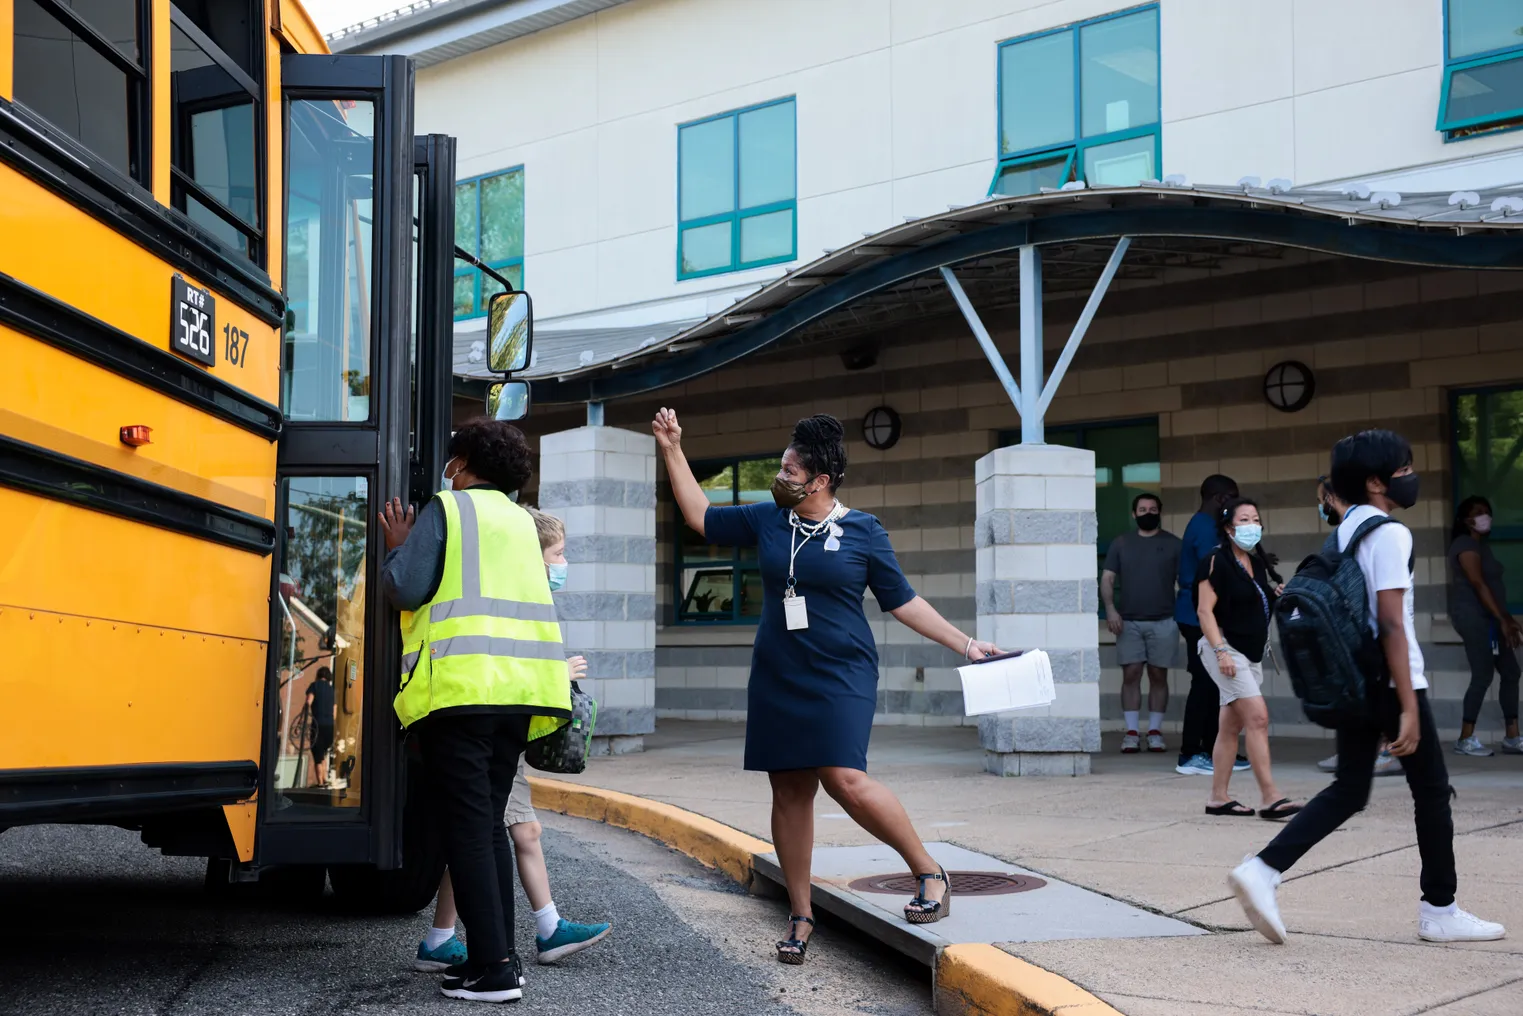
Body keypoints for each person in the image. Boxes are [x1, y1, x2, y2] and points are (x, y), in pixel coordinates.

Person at [653, 409, 998, 963]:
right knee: (789, 789)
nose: (782, 477)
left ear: (821, 481)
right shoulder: (768, 519)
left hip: (842, 670)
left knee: (844, 777)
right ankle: (800, 913)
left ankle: (930, 873)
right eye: (783, 468)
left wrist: (965, 643)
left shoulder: (863, 529)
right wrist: (672, 447)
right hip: (778, 671)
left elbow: (902, 601)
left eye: (792, 471)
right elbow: (699, 516)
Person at [1229, 430, 1505, 945]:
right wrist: (1407, 705)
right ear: (1376, 481)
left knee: (1351, 788)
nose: (1410, 477)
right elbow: (1392, 624)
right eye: (1403, 470)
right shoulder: (1390, 533)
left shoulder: (1347, 528)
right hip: (1392, 678)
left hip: (1353, 676)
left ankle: (1264, 869)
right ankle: (1439, 909)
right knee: (1431, 792)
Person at [379, 418, 574, 1003]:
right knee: (486, 823)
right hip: (521, 693)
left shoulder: (450, 509)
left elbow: (405, 589)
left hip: (464, 692)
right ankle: (500, 960)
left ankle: (494, 969)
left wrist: (396, 550)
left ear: (462, 464)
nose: (448, 469)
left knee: (468, 828)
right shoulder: (522, 521)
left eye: (452, 461)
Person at [415, 507, 612, 972]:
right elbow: (507, 662)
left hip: (494, 730)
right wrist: (555, 674)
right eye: (558, 553)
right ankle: (546, 929)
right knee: (515, 832)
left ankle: (440, 937)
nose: (564, 563)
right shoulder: (519, 598)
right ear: (534, 557)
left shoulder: (523, 595)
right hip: (497, 733)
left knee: (475, 841)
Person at [1193, 498, 1301, 820]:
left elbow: (1254, 603)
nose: (1252, 524)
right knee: (1257, 717)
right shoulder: (1215, 561)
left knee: (1230, 726)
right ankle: (1270, 797)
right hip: (1225, 650)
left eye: (1256, 518)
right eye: (1244, 519)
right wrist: (1220, 650)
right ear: (1228, 527)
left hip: (1249, 655)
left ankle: (1218, 798)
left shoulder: (1255, 563)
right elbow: (1203, 610)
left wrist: (1275, 594)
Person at [1314, 478, 1401, 778]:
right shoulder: (1347, 533)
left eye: (1320, 500)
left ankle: (1386, 750)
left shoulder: (1370, 532)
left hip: (1372, 633)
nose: (1320, 507)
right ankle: (1366, 750)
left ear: (1331, 498)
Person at [1175, 475, 1250, 777]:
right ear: (1220, 499)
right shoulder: (1205, 529)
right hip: (1198, 617)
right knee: (1204, 685)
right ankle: (1190, 754)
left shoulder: (1206, 526)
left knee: (1214, 686)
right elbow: (1217, 572)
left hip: (1202, 615)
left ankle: (1212, 748)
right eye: (1233, 497)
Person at [1102, 493, 1181, 753]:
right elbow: (1107, 580)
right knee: (1131, 674)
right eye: (1143, 509)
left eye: (1153, 509)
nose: (1148, 512)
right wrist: (1111, 610)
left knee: (1159, 675)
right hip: (1129, 623)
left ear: (1160, 512)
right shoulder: (1121, 544)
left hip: (1164, 620)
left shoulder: (1173, 544)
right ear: (1134, 514)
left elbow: (1188, 582)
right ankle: (1133, 733)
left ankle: (1156, 731)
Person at [1447, 495, 1523, 756]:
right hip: (1473, 617)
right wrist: (1502, 620)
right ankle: (1465, 738)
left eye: (1487, 511)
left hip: (1492, 620)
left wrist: (1507, 619)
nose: (1485, 516)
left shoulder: (1482, 546)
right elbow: (1479, 584)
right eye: (1479, 512)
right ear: (1467, 519)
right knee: (1483, 674)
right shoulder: (1464, 544)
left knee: (1511, 671)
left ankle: (1512, 737)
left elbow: (1492, 587)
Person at [306, 666, 336, 787]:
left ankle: (320, 783)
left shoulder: (315, 686)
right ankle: (324, 780)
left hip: (318, 725)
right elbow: (334, 711)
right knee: (323, 753)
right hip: (329, 726)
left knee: (317, 754)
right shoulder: (331, 689)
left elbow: (309, 701)